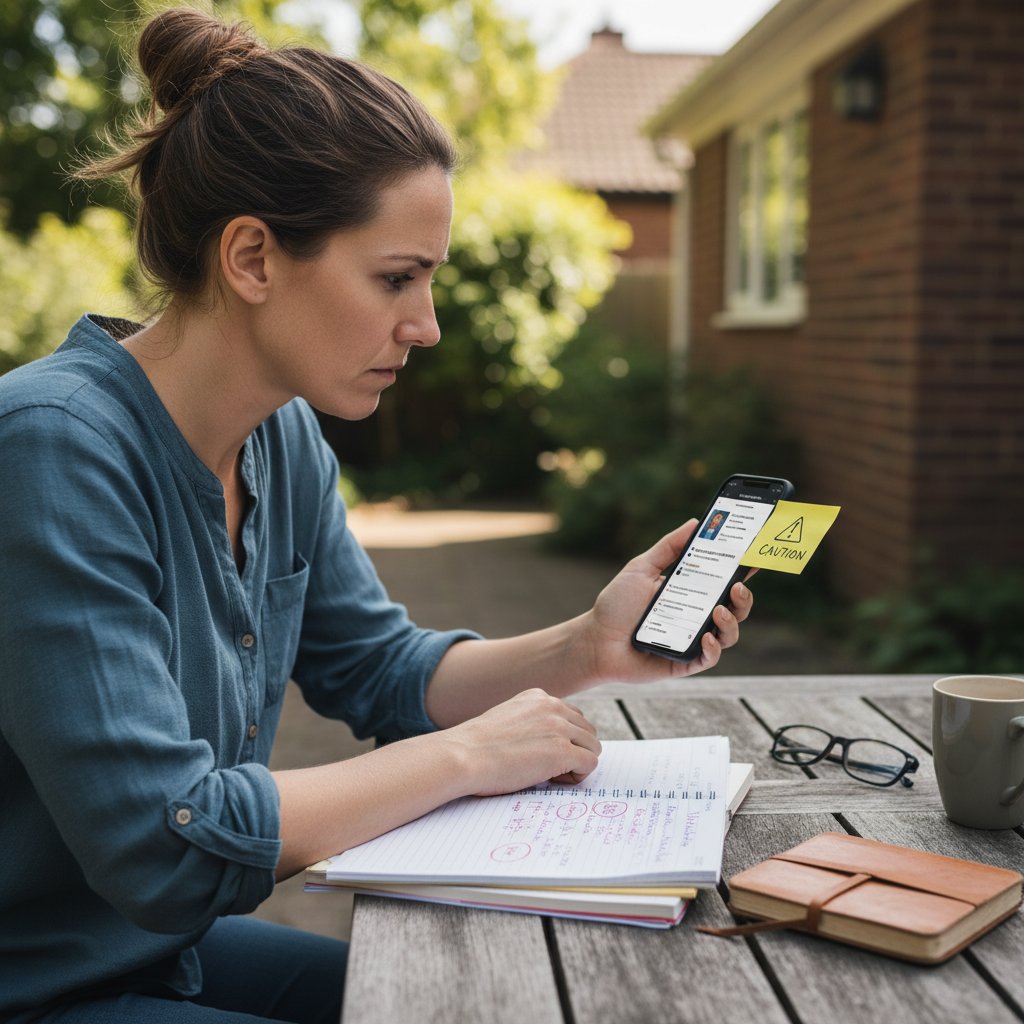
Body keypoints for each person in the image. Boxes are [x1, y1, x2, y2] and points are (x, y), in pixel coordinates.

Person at [0, 9, 754, 1024]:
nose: (426, 324)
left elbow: (382, 671)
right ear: (254, 259)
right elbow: (166, 844)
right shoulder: (52, 446)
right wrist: (466, 759)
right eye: (396, 277)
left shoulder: (282, 439)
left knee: (486, 1005)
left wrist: (588, 643)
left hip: (148, 953)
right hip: (39, 977)